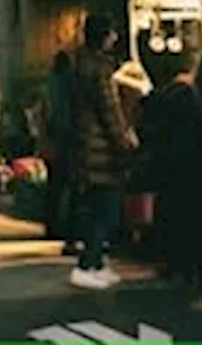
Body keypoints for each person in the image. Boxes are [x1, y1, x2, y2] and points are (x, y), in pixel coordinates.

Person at [69, 14, 137, 289]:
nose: (115, 37)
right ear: (104, 36)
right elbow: (110, 110)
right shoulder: (100, 69)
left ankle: (96, 263)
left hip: (85, 147)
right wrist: (124, 141)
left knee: (97, 208)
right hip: (101, 151)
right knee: (105, 210)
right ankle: (87, 264)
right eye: (112, 33)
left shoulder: (79, 65)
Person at [150, 51, 202, 290]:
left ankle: (176, 264)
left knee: (177, 217)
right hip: (201, 167)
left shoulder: (166, 97)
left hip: (174, 167)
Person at [44, 50, 79, 255]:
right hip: (66, 141)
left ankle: (51, 226)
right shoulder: (68, 83)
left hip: (52, 143)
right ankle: (66, 231)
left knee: (54, 187)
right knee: (69, 187)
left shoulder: (51, 83)